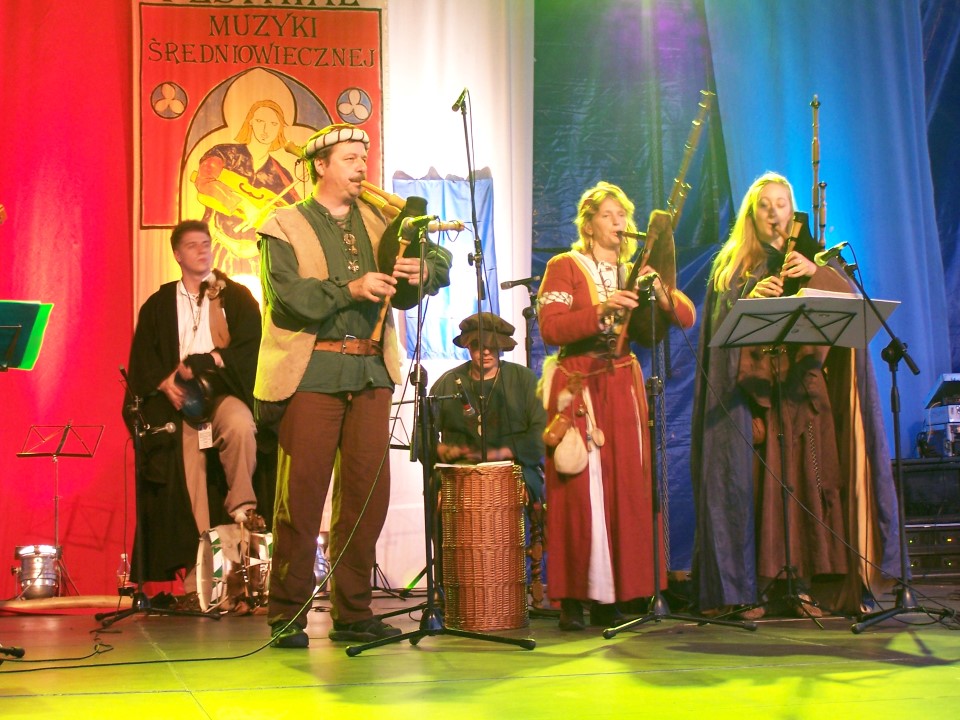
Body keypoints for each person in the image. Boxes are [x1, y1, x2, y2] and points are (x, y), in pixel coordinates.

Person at [255, 123, 452, 648]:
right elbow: (291, 297)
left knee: (367, 495)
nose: (361, 166)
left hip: (369, 372)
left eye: (364, 157)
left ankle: (354, 609)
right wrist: (353, 286)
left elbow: (436, 264)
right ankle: (287, 613)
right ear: (320, 165)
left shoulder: (385, 220)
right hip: (312, 373)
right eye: (349, 158)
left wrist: (416, 272)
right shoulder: (283, 225)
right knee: (301, 497)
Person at [690, 171, 901, 619]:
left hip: (804, 399)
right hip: (757, 401)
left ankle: (807, 585)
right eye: (765, 205)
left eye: (781, 204)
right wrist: (751, 295)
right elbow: (722, 340)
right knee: (762, 496)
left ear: (793, 212)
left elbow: (848, 308)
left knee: (810, 486)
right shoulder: (734, 268)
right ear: (752, 214)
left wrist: (817, 272)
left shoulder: (812, 257)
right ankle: (756, 587)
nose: (774, 213)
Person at [537, 181, 696, 630]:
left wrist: (662, 293)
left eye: (623, 216)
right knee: (577, 492)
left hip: (622, 385)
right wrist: (603, 309)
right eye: (608, 215)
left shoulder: (636, 271)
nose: (619, 224)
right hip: (579, 386)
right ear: (588, 224)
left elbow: (685, 317)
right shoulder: (564, 266)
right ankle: (572, 598)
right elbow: (551, 328)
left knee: (625, 488)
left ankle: (617, 596)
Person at [126, 219, 263, 606]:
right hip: (180, 404)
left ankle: (243, 510)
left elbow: (252, 348)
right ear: (177, 254)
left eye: (206, 243)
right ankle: (205, 566)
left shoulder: (235, 297)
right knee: (188, 472)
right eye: (193, 245)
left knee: (240, 424)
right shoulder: (157, 304)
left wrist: (215, 359)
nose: (202, 250)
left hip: (222, 393)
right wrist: (166, 383)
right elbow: (143, 362)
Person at [431, 312, 546, 501]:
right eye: (477, 345)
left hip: (514, 466)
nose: (485, 351)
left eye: (492, 345)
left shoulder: (523, 379)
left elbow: (540, 433)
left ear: (500, 346)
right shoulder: (447, 381)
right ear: (467, 345)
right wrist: (440, 449)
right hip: (459, 471)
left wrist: (502, 453)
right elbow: (422, 433)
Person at [193, 99, 301, 276]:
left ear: (280, 128)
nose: (266, 130)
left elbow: (295, 215)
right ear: (250, 121)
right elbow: (204, 180)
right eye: (260, 121)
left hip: (261, 258)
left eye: (273, 124)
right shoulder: (224, 153)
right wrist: (242, 204)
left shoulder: (282, 174)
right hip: (220, 248)